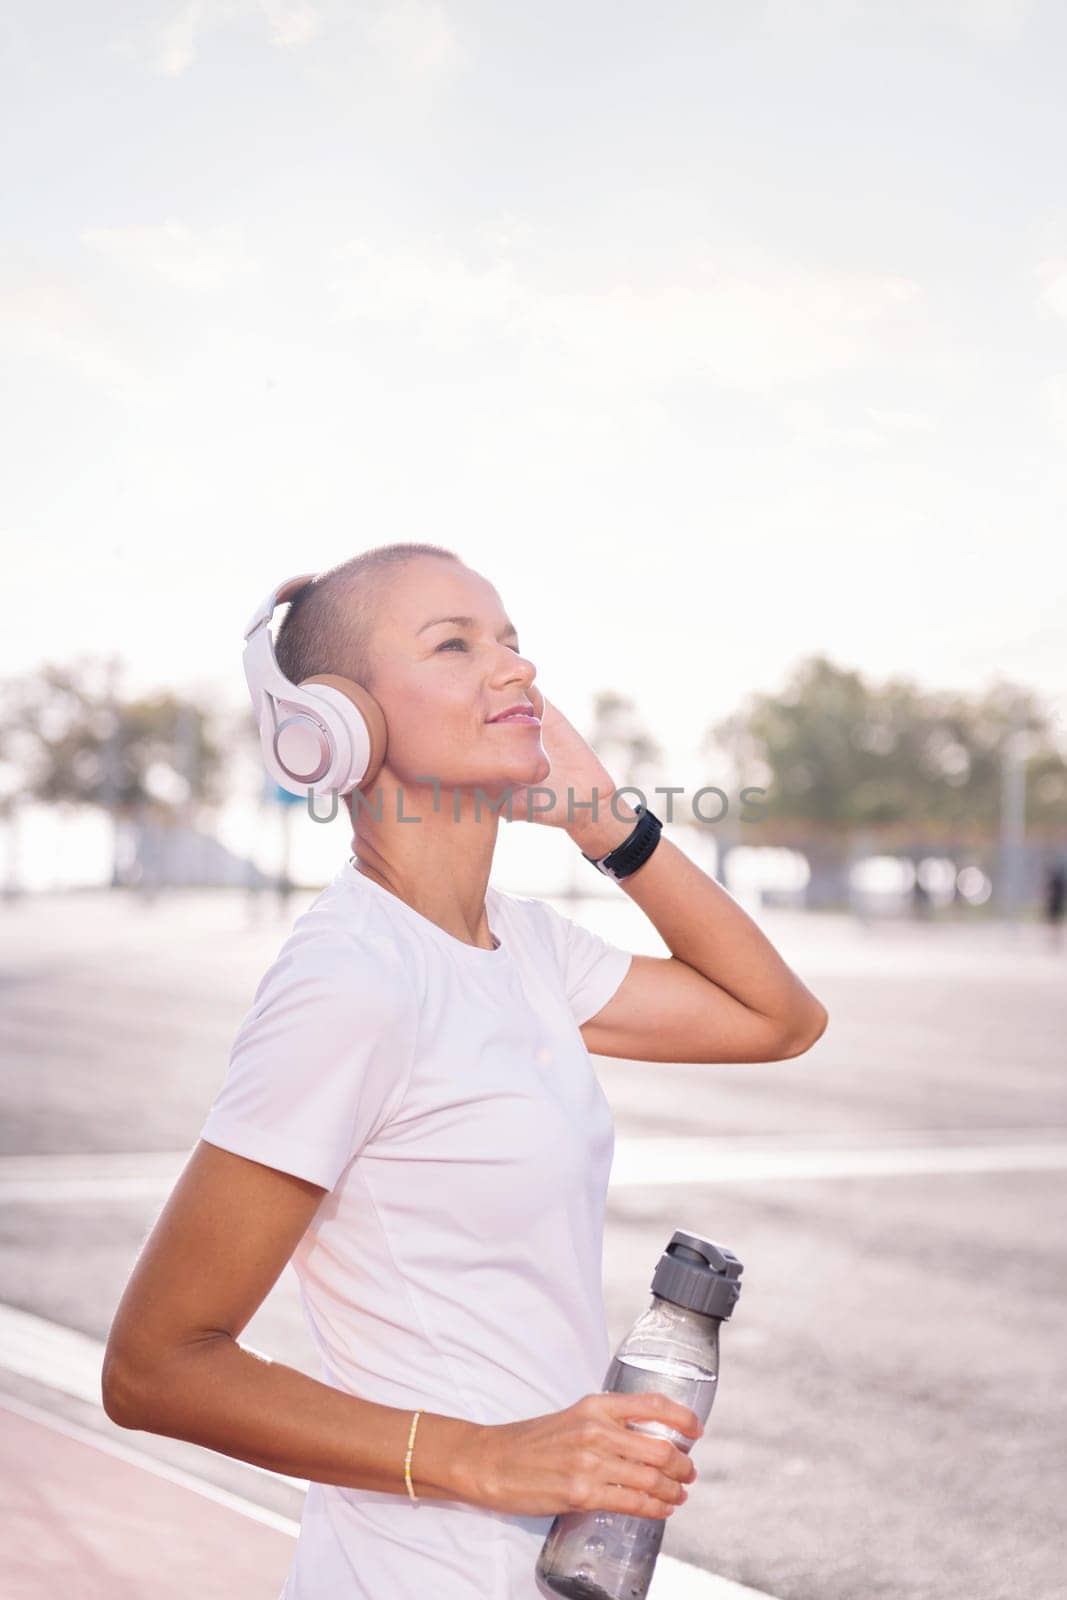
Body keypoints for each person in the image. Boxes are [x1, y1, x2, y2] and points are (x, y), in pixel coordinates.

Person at [101, 544, 829, 1599]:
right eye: (454, 644)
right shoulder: (352, 978)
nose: (516, 671)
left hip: (543, 1565)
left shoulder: (523, 947)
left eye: (512, 642)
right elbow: (155, 1364)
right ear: (334, 723)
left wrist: (607, 825)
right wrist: (481, 1458)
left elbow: (777, 1018)